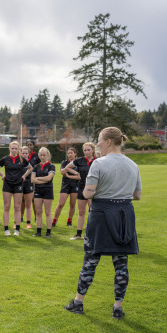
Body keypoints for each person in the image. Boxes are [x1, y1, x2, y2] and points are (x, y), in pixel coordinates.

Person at [64, 127, 142, 319]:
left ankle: (78, 302)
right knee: (121, 263)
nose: (97, 143)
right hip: (124, 214)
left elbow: (87, 193)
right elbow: (137, 195)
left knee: (90, 260)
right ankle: (118, 308)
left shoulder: (98, 164)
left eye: (99, 140)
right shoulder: (133, 165)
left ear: (108, 141)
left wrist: (102, 192)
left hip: (101, 214)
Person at [0, 141, 32, 236]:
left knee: (17, 207)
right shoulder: (5, 159)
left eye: (16, 148)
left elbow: (30, 168)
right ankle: (6, 229)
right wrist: (2, 175)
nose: (14, 150)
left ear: (18, 149)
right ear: (9, 149)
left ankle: (17, 230)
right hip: (7, 185)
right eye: (12, 148)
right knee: (6, 207)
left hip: (18, 185)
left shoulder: (21, 160)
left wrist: (24, 176)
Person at [65, 142, 96, 240]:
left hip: (93, 189)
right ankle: (78, 234)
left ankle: (92, 234)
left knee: (92, 212)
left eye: (88, 150)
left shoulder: (97, 161)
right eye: (85, 150)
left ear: (93, 150)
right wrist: (77, 173)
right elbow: (67, 167)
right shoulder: (80, 160)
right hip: (82, 188)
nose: (86, 152)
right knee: (81, 212)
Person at [31, 147, 56, 238]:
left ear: (48, 155)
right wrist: (42, 180)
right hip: (38, 191)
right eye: (41, 155)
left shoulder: (51, 166)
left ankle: (48, 232)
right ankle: (38, 231)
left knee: (48, 212)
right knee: (38, 212)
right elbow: (32, 179)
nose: (42, 156)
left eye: (44, 155)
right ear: (39, 156)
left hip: (48, 191)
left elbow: (49, 178)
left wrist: (38, 179)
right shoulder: (36, 167)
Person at [53, 147, 80, 228]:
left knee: (72, 204)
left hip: (75, 185)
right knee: (61, 204)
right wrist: (74, 173)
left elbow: (79, 177)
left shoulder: (78, 163)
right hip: (65, 185)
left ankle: (69, 221)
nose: (70, 154)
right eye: (68, 153)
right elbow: (62, 171)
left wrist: (69, 175)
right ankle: (54, 221)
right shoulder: (64, 162)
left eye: (71, 153)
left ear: (75, 154)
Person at [20, 146, 35, 229]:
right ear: (20, 153)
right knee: (18, 204)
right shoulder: (18, 161)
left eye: (26, 153)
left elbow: (34, 174)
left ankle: (28, 222)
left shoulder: (31, 163)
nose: (24, 154)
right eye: (23, 153)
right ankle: (17, 221)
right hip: (19, 184)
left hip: (28, 184)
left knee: (28, 204)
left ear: (28, 154)